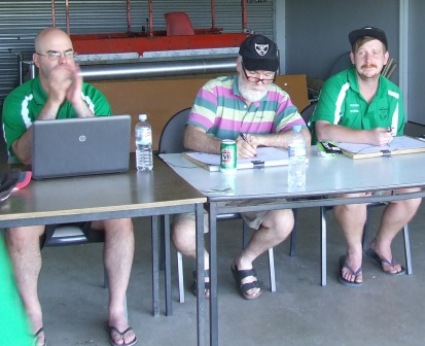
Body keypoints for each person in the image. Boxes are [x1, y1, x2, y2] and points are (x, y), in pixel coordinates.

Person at [2, 28, 137, 346]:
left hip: (89, 194)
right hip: (36, 197)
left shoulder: (91, 95)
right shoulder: (18, 100)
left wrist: (77, 102)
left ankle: (117, 312)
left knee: (122, 220)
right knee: (19, 231)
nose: (64, 61)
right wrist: (53, 102)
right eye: (54, 54)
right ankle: (33, 314)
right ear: (36, 61)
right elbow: (22, 155)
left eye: (70, 53)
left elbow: (107, 148)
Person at [172, 34, 311, 300]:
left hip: (255, 187)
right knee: (182, 235)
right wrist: (228, 147)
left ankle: (244, 261)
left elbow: (303, 138)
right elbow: (191, 136)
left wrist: (261, 140)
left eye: (268, 76)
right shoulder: (214, 90)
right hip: (207, 188)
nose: (260, 82)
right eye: (254, 74)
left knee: (283, 221)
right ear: (238, 65)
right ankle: (205, 265)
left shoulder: (278, 96)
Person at [310, 26, 422, 286]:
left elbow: (396, 141)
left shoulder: (393, 94)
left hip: (376, 166)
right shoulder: (337, 85)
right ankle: (354, 251)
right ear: (352, 58)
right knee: (353, 193)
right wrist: (367, 137)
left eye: (375, 53)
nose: (368, 59)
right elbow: (323, 130)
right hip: (333, 166)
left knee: (413, 192)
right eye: (362, 53)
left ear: (386, 58)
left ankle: (380, 245)